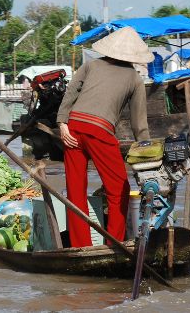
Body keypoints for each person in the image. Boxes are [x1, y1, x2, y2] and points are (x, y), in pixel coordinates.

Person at [56, 26, 152, 247]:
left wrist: (62, 124)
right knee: (119, 189)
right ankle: (114, 243)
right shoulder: (134, 78)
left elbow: (70, 93)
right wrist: (146, 153)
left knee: (75, 190)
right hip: (99, 131)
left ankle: (81, 245)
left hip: (73, 127)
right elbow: (140, 124)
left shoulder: (90, 65)